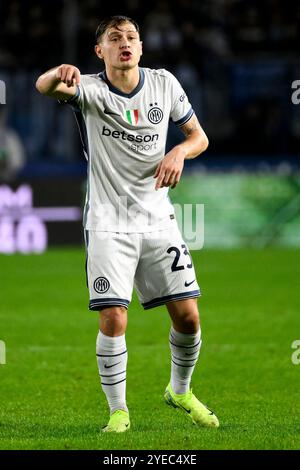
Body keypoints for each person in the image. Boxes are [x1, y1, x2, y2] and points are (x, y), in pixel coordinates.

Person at [36, 15, 219, 433]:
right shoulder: (90, 90)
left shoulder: (163, 84)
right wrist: (57, 73)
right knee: (114, 318)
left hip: (158, 220)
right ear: (99, 51)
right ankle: (119, 411)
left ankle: (180, 390)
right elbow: (43, 87)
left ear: (140, 47)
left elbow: (199, 137)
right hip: (107, 223)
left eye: (132, 37)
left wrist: (179, 152)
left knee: (189, 318)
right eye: (115, 38)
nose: (126, 43)